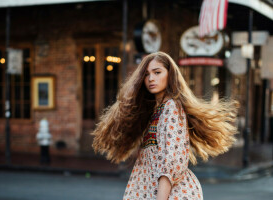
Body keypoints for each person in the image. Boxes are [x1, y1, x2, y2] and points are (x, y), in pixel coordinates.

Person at [92, 51, 239, 200]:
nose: (151, 78)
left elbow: (171, 162)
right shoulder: (156, 110)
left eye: (157, 72)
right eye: (147, 74)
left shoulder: (171, 108)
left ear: (170, 75)